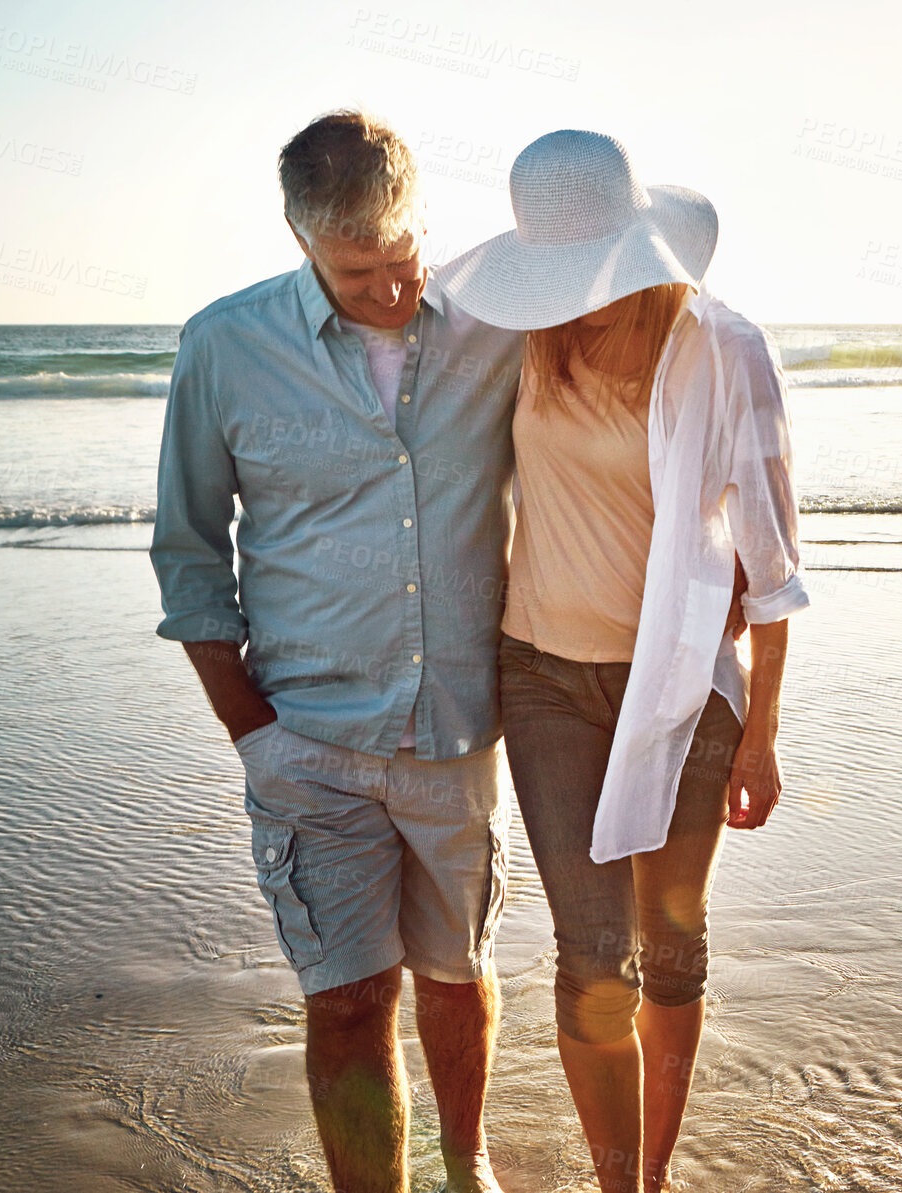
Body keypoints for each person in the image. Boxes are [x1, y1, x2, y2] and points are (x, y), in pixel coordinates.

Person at [149, 110, 523, 1193]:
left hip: (456, 731)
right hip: (304, 738)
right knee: (350, 996)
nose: (391, 290)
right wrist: (251, 734)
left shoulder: (494, 326)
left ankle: (468, 1160)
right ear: (299, 237)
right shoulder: (223, 345)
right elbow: (187, 547)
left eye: (402, 258)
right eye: (358, 272)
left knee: (458, 973)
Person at [434, 129, 810, 1193]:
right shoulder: (513, 338)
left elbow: (775, 571)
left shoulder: (724, 349)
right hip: (544, 675)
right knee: (592, 960)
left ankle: (648, 1179)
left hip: (686, 690)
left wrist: (765, 737)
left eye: (590, 270)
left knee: (671, 951)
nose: (574, 295)